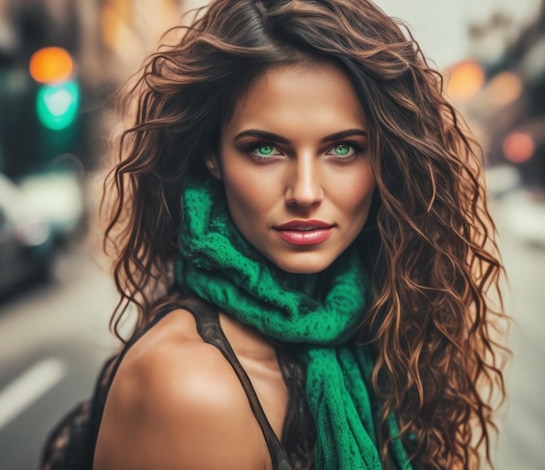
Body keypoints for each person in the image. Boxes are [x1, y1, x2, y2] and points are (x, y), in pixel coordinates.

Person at [43, 0, 508, 469]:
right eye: (265, 149)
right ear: (212, 156)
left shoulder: (385, 327)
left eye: (342, 148)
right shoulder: (188, 386)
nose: (305, 192)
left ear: (386, 160)